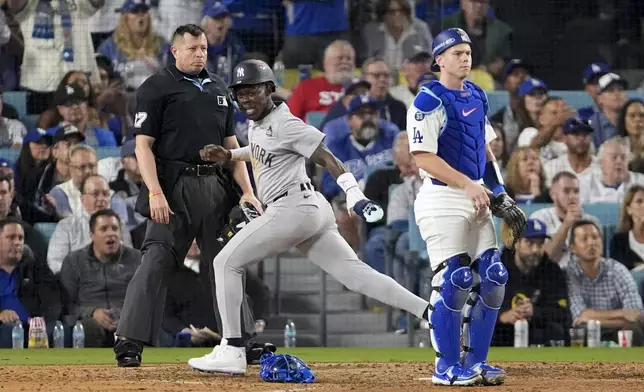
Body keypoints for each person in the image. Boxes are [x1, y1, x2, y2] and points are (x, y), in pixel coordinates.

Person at [187, 59, 432, 376]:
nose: (245, 98)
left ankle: (233, 348)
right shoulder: (260, 123)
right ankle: (429, 310)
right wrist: (232, 155)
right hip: (308, 209)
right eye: (240, 93)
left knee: (224, 262)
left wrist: (354, 195)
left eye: (252, 91)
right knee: (355, 275)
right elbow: (263, 148)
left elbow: (329, 158)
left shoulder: (287, 124)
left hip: (292, 209)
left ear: (270, 90)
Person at [113, 24, 263, 368]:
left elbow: (232, 147)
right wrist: (154, 192)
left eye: (204, 48)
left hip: (215, 186)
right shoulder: (155, 88)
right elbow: (143, 146)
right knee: (156, 260)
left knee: (227, 263)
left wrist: (247, 191)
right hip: (174, 186)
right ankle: (129, 341)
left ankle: (242, 339)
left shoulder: (220, 89)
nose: (200, 54)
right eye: (193, 48)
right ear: (175, 51)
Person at [406, 28, 524, 386]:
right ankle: (445, 368)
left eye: (468, 51)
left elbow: (483, 149)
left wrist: (499, 190)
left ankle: (475, 362)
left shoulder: (477, 95)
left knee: (494, 277)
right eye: (456, 52)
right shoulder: (428, 100)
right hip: (442, 197)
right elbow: (422, 157)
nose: (465, 58)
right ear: (438, 60)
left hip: (476, 194)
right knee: (455, 279)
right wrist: (469, 185)